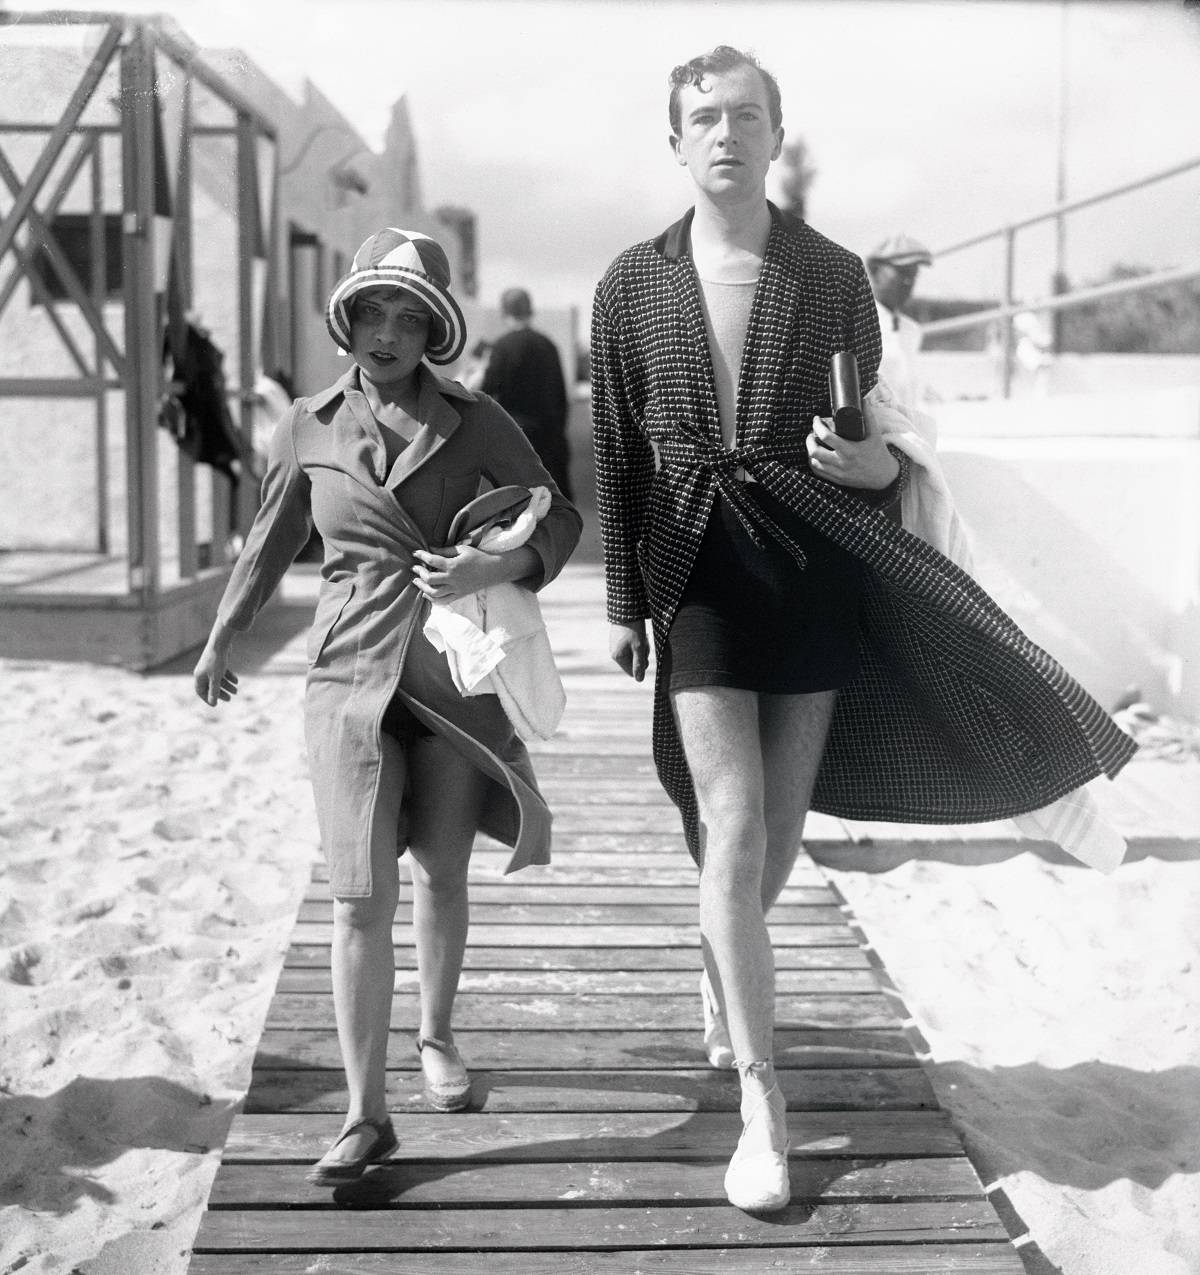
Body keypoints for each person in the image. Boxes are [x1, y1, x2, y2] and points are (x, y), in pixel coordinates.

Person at [591, 45, 1135, 1216]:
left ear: (776, 134)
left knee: (777, 837)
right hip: (696, 563)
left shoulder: (833, 274)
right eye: (703, 117)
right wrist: (626, 604)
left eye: (746, 115)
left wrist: (878, 463)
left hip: (812, 558)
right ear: (674, 141)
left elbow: (882, 426)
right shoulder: (628, 285)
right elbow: (622, 455)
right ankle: (763, 1099)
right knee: (732, 825)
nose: (725, 133)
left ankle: (717, 964)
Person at [193, 227, 581, 1185]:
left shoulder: (478, 417)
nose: (389, 332)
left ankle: (438, 1037)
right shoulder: (307, 423)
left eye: (411, 318)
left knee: (441, 870)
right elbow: (270, 536)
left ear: (436, 332)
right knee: (358, 895)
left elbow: (560, 517)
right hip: (347, 678)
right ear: (350, 318)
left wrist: (501, 560)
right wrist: (221, 632)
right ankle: (366, 1115)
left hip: (453, 677)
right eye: (375, 310)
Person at [481, 287, 574, 501]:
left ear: (505, 311)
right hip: (550, 439)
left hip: (516, 439)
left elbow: (486, 391)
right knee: (553, 506)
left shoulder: (502, 347)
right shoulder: (548, 345)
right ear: (529, 310)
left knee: (520, 510)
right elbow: (561, 398)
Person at [865, 233, 933, 409]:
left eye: (914, 275)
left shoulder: (911, 330)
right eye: (902, 272)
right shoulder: (858, 322)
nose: (908, 282)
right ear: (874, 271)